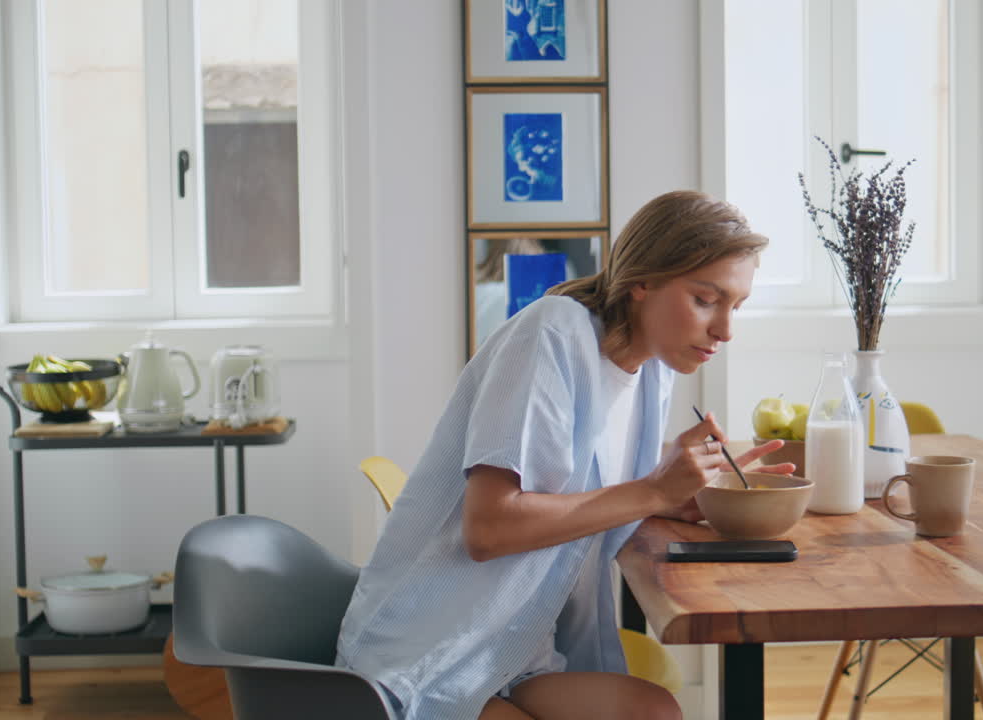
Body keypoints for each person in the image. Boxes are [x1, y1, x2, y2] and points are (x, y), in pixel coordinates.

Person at [336, 190, 796, 720]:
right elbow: (488, 530)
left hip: (517, 648)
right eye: (705, 299)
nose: (725, 329)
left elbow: (582, 493)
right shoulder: (551, 333)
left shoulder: (653, 371)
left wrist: (668, 500)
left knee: (655, 712)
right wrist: (649, 491)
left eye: (735, 305)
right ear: (642, 281)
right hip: (428, 653)